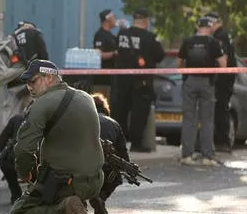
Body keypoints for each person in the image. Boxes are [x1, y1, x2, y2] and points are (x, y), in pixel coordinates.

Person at [10, 59, 104, 214]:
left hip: (65, 183)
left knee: (21, 213)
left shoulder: (42, 104)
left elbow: (23, 149)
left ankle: (63, 212)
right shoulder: (86, 97)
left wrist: (25, 173)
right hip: (96, 181)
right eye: (27, 83)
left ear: (49, 78)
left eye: (33, 81)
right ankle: (74, 205)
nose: (29, 87)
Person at [111, 9, 165, 152]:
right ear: (146, 20)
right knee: (139, 113)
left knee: (120, 112)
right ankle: (136, 143)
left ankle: (118, 144)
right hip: (142, 82)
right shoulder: (150, 37)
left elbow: (118, 52)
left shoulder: (122, 34)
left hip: (122, 80)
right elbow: (160, 56)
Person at [178, 16, 226, 166]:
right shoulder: (213, 42)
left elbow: (179, 63)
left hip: (190, 82)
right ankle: (207, 157)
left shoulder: (188, 41)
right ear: (210, 27)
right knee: (207, 120)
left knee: (188, 119)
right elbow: (223, 65)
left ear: (198, 26)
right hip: (207, 83)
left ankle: (187, 155)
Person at [90, 93, 128, 214]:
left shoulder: (83, 121)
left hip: (82, 165)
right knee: (117, 176)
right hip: (106, 168)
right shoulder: (114, 124)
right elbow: (123, 152)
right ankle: (101, 197)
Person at [3, 21, 48, 126]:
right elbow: (44, 57)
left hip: (14, 81)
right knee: (35, 110)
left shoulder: (12, 37)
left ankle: (11, 137)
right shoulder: (35, 34)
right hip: (32, 79)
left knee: (13, 113)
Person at [206, 11, 237, 153]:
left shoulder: (220, 37)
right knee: (220, 109)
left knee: (220, 109)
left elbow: (222, 59)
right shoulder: (222, 35)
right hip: (224, 78)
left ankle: (222, 142)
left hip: (222, 80)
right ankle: (221, 141)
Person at [0, 112, 28, 204]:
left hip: (15, 159)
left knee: (4, 160)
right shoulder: (49, 119)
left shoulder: (17, 119)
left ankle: (16, 194)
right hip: (40, 160)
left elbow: (0, 141)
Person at [93, 9, 126, 98]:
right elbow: (98, 55)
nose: (115, 19)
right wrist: (113, 54)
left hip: (113, 77)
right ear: (108, 19)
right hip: (103, 78)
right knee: (103, 102)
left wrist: (122, 30)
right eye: (113, 17)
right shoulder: (100, 35)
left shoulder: (110, 35)